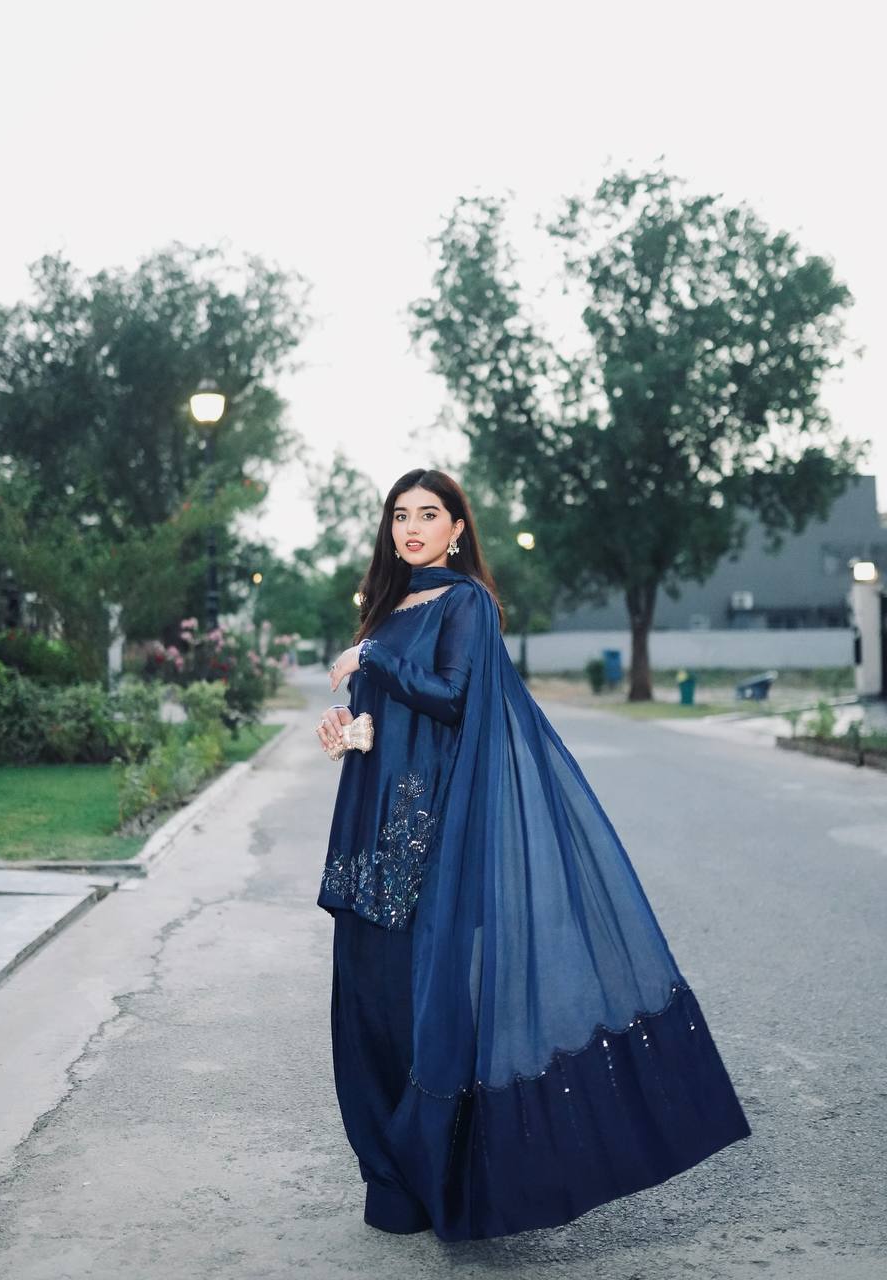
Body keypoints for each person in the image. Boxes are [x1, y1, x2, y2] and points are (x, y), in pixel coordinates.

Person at [314, 468, 751, 1243]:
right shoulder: (386, 606)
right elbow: (388, 714)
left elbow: (453, 698)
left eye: (428, 514)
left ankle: (438, 1179)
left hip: (432, 833)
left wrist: (372, 660)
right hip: (369, 830)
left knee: (420, 1009)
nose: (411, 527)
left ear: (457, 529)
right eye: (399, 515)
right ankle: (390, 1181)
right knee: (366, 1004)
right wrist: (347, 728)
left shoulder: (466, 604)